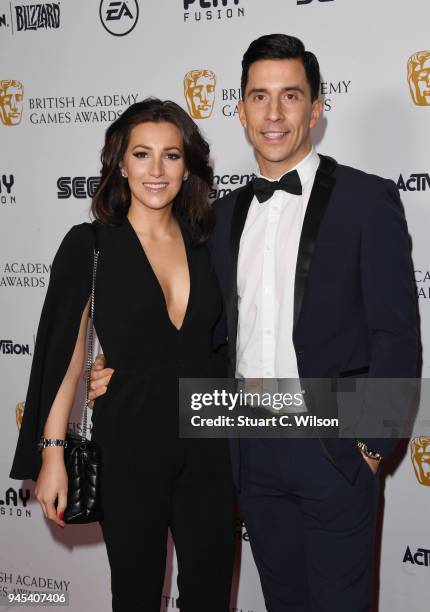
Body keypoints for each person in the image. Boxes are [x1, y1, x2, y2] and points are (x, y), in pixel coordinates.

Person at [90, 35, 419, 611]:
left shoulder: (367, 200)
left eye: (290, 96)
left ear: (316, 108)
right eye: (258, 97)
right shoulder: (219, 216)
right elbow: (198, 333)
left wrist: (370, 445)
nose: (273, 114)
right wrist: (119, 369)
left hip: (335, 447)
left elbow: (396, 334)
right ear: (240, 110)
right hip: (245, 450)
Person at [10, 99, 236, 612]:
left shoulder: (208, 242)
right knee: (135, 593)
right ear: (119, 163)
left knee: (210, 592)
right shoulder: (90, 244)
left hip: (210, 442)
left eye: (171, 156)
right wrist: (51, 455)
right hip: (130, 438)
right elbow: (65, 358)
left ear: (188, 165)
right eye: (141, 154)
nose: (156, 170)